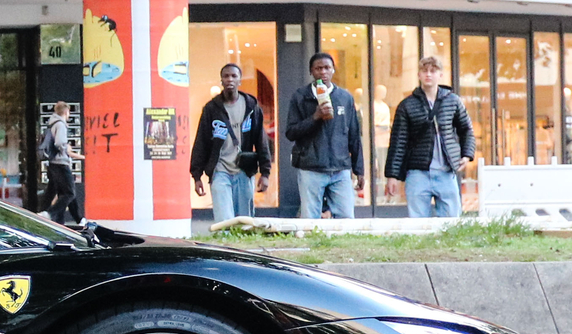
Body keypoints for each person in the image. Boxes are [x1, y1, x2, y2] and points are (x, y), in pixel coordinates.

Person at [382, 55, 475, 217]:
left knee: (451, 221)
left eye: (433, 71)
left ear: (441, 75)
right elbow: (398, 142)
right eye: (424, 71)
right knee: (418, 223)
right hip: (417, 172)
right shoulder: (407, 105)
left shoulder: (453, 101)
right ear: (418, 75)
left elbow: (466, 129)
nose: (428, 74)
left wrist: (467, 155)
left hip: (446, 170)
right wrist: (392, 176)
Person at [284, 52, 363, 219]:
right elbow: (291, 132)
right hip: (311, 168)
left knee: (346, 217)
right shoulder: (301, 96)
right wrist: (315, 117)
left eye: (327, 68)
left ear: (333, 70)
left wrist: (359, 169)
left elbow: (354, 136)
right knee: (310, 218)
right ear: (311, 72)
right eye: (318, 68)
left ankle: (341, 246)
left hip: (340, 168)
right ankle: (312, 245)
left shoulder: (345, 97)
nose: (323, 72)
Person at [189, 63, 265, 223]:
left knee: (245, 220)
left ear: (240, 80)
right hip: (220, 170)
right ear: (221, 81)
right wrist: (197, 175)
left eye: (234, 76)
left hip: (244, 170)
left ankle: (243, 248)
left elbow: (261, 140)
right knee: (224, 220)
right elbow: (201, 142)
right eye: (226, 76)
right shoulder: (211, 109)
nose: (230, 79)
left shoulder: (251, 106)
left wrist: (265, 173)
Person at [37, 110, 81, 223]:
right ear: (66, 112)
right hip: (61, 163)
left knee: (60, 193)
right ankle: (49, 213)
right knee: (69, 193)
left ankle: (71, 220)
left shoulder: (51, 123)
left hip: (53, 163)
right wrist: (67, 149)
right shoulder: (60, 124)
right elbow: (59, 143)